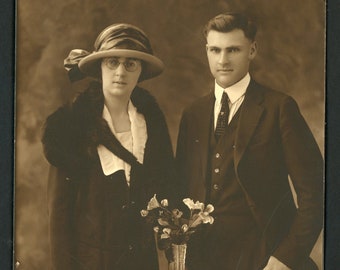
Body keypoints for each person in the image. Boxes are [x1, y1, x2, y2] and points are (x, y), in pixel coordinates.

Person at [176, 13, 323, 270]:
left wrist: (285, 258)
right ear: (207, 51)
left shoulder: (279, 108)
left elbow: (318, 193)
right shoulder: (193, 113)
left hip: (265, 258)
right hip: (203, 259)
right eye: (215, 50)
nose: (223, 60)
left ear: (252, 50)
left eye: (233, 50)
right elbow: (180, 187)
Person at [42, 23, 176, 270]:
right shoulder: (73, 125)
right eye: (112, 62)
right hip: (91, 263)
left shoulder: (152, 124)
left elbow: (167, 193)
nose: (120, 72)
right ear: (100, 68)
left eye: (130, 64)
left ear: (141, 71)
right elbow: (60, 217)